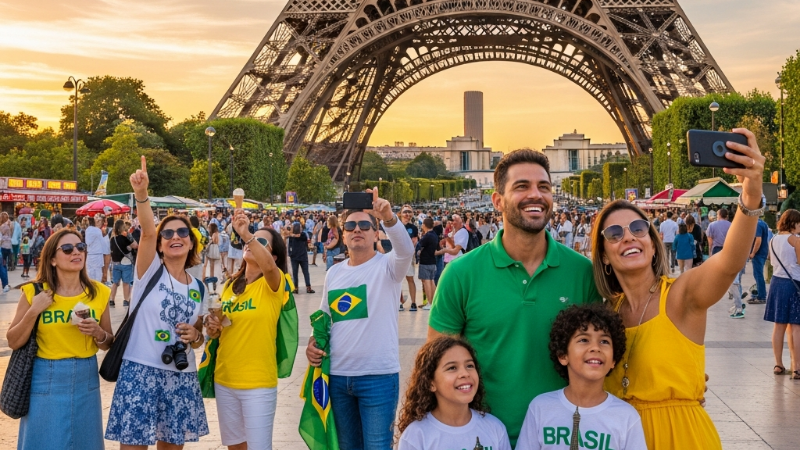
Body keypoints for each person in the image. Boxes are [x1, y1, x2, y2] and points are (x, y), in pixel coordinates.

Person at [592, 128, 763, 449]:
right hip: (622, 439)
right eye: (614, 233)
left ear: (654, 245)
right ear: (603, 254)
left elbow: (729, 261)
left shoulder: (682, 295)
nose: (628, 236)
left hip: (682, 437)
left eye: (638, 228)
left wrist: (751, 193)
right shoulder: (603, 315)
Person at [428, 149, 601, 445]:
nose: (535, 194)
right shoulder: (460, 274)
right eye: (522, 186)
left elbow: (605, 354)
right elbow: (436, 365)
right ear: (498, 201)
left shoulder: (584, 272)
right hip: (482, 439)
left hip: (561, 437)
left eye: (543, 187)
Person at [105, 156, 209, 448]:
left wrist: (196, 334)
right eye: (168, 233)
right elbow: (147, 231)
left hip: (180, 374)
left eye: (182, 232)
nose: (175, 236)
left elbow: (198, 339)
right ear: (160, 245)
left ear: (191, 242)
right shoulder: (149, 270)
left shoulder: (199, 288)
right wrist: (141, 195)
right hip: (140, 368)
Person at [305, 188, 414, 448]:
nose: (357, 229)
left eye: (365, 225)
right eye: (350, 225)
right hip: (339, 377)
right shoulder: (334, 273)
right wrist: (312, 344)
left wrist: (388, 217)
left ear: (376, 233)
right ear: (342, 235)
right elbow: (326, 318)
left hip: (378, 376)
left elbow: (406, 250)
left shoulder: (388, 266)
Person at [7, 228, 113, 450]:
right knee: (44, 441)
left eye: (80, 247)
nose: (76, 252)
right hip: (45, 377)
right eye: (67, 249)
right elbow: (13, 341)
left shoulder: (99, 292)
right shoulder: (34, 292)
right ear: (52, 259)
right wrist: (34, 311)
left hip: (86, 379)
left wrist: (98, 333)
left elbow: (108, 342)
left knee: (85, 443)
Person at [204, 210, 288, 450]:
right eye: (250, 240)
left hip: (257, 383)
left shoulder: (275, 281)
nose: (251, 242)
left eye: (262, 241)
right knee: (236, 447)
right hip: (225, 378)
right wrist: (215, 327)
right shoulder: (231, 285)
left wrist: (246, 233)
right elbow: (224, 327)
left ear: (273, 253)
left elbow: (270, 268)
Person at [516, 304, 645, 450]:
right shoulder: (540, 408)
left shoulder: (627, 417)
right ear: (563, 355)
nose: (595, 347)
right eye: (584, 340)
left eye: (604, 341)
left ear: (613, 361)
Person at [397, 336, 511, 450]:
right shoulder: (415, 436)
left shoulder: (495, 428)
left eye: (470, 365)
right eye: (452, 368)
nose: (465, 373)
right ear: (430, 383)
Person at [764, 209, 800, 378]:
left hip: (777, 283)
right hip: (794, 283)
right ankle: (797, 367)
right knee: (795, 326)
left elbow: (771, 262)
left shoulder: (773, 240)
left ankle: (778, 364)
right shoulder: (796, 240)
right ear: (793, 223)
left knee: (778, 326)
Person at [109, 219, 139, 308]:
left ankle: (112, 300)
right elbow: (136, 245)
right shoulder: (126, 237)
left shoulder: (112, 239)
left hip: (115, 263)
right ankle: (126, 300)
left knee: (115, 282)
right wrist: (129, 238)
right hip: (126, 263)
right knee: (126, 282)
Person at [417, 218, 440, 310]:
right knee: (431, 281)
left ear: (425, 225)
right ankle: (434, 302)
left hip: (425, 261)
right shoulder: (434, 235)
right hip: (432, 261)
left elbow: (420, 245)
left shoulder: (427, 236)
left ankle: (429, 303)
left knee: (426, 282)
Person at [400, 204, 419, 311]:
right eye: (405, 212)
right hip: (397, 256)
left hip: (408, 256)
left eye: (409, 212)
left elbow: (414, 241)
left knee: (410, 279)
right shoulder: (397, 225)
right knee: (397, 281)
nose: (407, 214)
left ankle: (413, 302)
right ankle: (400, 301)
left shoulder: (413, 228)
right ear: (401, 214)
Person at [748, 215, 770, 304]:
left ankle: (761, 296)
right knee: (758, 274)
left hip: (759, 254)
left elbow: (758, 240)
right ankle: (760, 294)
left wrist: (753, 252)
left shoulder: (757, 225)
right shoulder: (763, 223)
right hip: (763, 252)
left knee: (758, 275)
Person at [288, 222, 314, 294]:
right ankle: (297, 288)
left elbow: (299, 236)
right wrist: (290, 253)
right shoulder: (294, 236)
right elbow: (289, 246)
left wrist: (291, 234)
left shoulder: (302, 235)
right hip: (299, 257)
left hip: (301, 257)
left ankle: (306, 287)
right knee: (297, 273)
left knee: (303, 272)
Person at [84, 215, 108, 288]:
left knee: (89, 276)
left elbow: (87, 242)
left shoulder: (87, 230)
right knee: (97, 277)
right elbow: (103, 244)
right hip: (97, 255)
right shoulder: (97, 231)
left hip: (90, 255)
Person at [204, 223, 221, 288]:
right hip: (216, 248)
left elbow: (213, 241)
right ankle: (212, 277)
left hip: (212, 249)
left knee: (211, 264)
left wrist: (209, 242)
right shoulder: (218, 233)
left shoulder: (214, 234)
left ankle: (211, 277)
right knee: (212, 264)